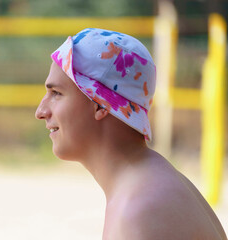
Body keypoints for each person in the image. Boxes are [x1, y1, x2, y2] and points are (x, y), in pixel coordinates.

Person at [35, 28, 227, 240]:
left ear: (101, 104)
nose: (40, 112)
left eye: (56, 94)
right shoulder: (150, 185)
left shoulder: (140, 212)